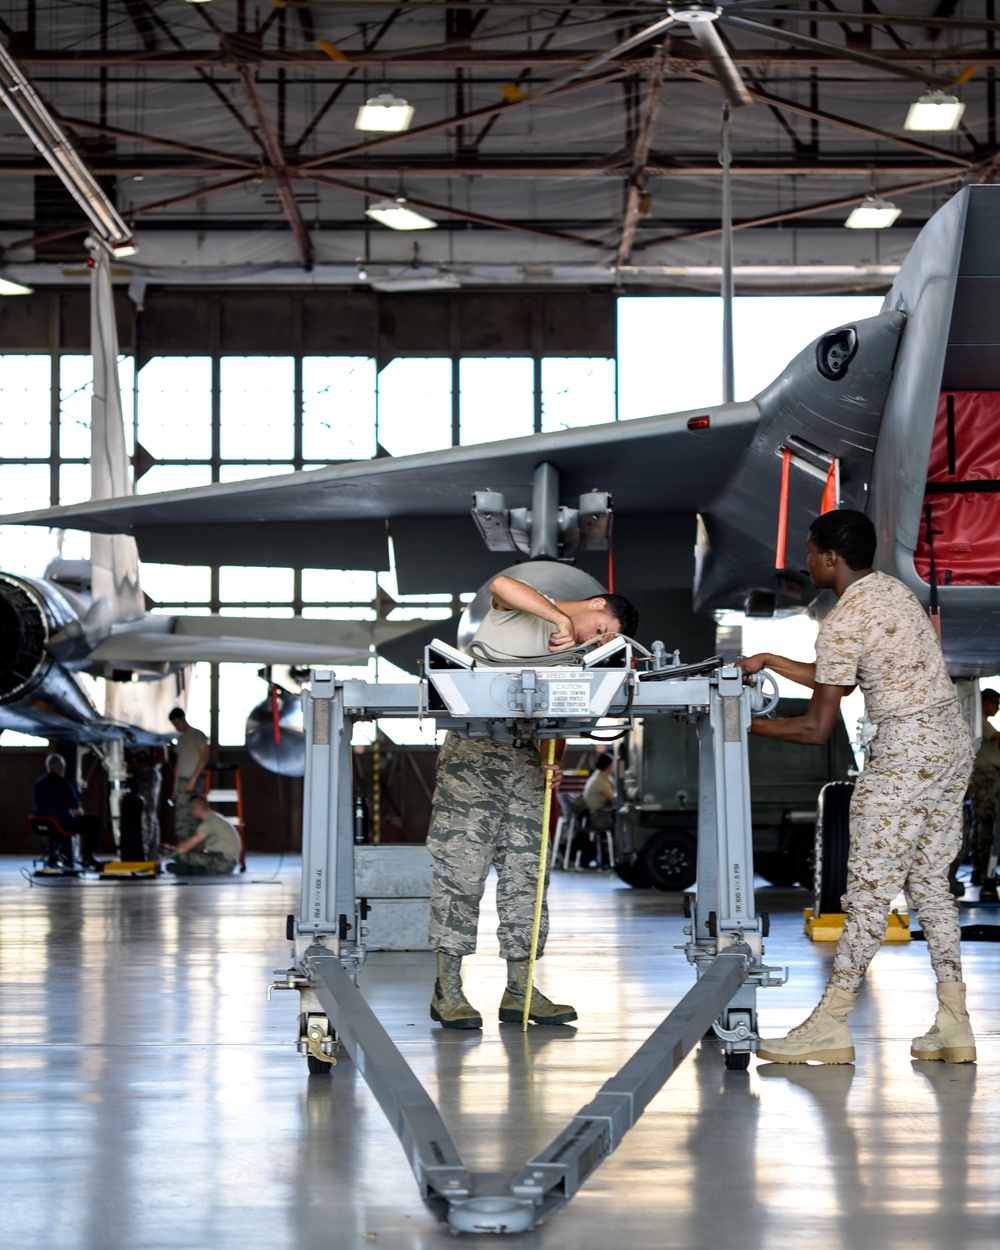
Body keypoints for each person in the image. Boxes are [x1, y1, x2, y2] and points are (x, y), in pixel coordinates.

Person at [738, 509, 976, 1065]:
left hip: (905, 753)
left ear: (829, 557)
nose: (806, 561)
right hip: (948, 745)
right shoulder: (891, 592)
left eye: (810, 551)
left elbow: (816, 725)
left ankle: (831, 1022)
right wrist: (771, 658)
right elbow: (836, 677)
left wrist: (745, 725)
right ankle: (954, 1022)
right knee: (930, 885)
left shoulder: (844, 619)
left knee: (867, 889)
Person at [427, 575, 639, 1029]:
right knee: (460, 874)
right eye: (601, 627)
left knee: (528, 876)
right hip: (474, 756)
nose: (595, 638)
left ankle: (521, 991)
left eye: (606, 639)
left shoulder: (579, 655)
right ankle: (448, 991)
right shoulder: (524, 610)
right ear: (596, 603)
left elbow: (559, 711)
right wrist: (561, 618)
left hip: (526, 759)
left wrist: (554, 759)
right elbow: (501, 584)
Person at [32, 752, 104, 870]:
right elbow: (77, 811)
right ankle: (88, 856)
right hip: (61, 823)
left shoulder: (39, 783)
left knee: (58, 825)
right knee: (95, 821)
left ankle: (56, 855)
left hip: (41, 823)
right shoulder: (64, 784)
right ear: (61, 767)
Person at [969, 687, 1000, 901]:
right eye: (995, 703)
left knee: (980, 824)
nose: (997, 708)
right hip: (987, 778)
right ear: (986, 701)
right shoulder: (981, 722)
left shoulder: (977, 721)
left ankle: (980, 870)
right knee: (987, 824)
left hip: (984, 777)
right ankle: (985, 873)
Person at [161, 794, 240, 876]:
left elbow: (184, 848)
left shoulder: (207, 824)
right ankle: (184, 868)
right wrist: (172, 848)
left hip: (223, 863)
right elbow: (198, 847)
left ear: (194, 809)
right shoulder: (214, 818)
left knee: (181, 856)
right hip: (225, 861)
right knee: (186, 857)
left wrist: (164, 858)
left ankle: (183, 868)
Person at [168, 707, 209, 847]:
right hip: (182, 782)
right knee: (181, 817)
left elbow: (203, 758)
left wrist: (193, 779)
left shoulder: (197, 735)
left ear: (183, 719)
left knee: (196, 816)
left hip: (195, 780)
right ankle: (183, 849)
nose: (177, 727)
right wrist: (175, 787)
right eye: (174, 724)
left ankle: (197, 849)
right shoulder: (181, 739)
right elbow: (178, 764)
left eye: (178, 723)